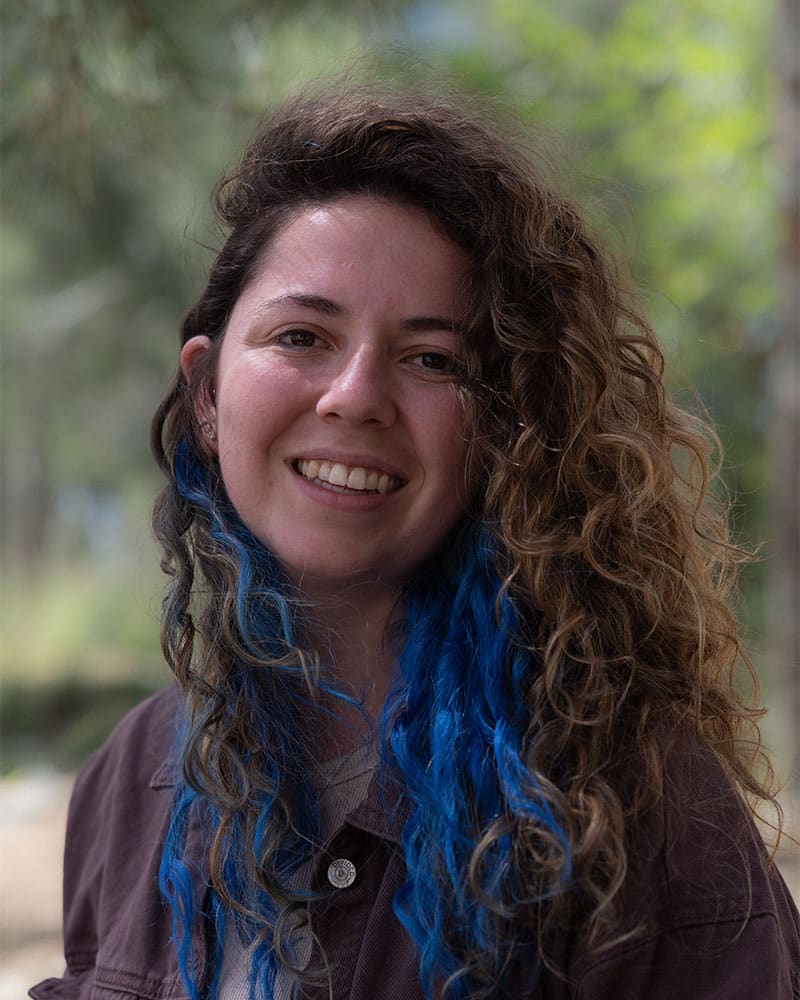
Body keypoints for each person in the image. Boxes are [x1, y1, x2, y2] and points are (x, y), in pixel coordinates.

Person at [31, 85, 799, 1000]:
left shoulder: (639, 810)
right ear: (206, 394)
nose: (355, 396)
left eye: (433, 358)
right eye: (302, 335)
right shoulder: (133, 779)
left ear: (511, 426)